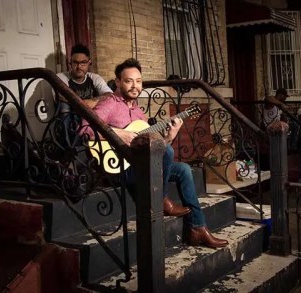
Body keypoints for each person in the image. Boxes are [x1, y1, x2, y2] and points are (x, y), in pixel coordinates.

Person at [85, 58, 228, 249]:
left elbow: (156, 148)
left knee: (184, 169)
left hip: (140, 164)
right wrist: (122, 134)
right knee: (166, 151)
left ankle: (198, 228)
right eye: (129, 81)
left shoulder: (138, 113)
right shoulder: (110, 103)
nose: (135, 86)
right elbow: (85, 130)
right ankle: (159, 199)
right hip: (118, 166)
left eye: (138, 81)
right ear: (118, 82)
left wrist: (170, 135)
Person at [57, 44, 112, 110]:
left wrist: (94, 100)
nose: (79, 66)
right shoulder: (61, 77)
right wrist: (85, 103)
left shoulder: (95, 78)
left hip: (91, 117)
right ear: (70, 63)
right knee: (64, 105)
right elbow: (61, 98)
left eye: (83, 62)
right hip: (70, 116)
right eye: (75, 62)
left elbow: (109, 95)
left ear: (89, 63)